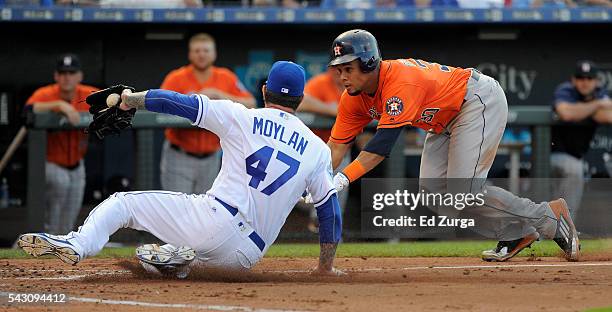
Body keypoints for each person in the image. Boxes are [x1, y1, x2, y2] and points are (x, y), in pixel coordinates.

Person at [18, 61, 343, 277]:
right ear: (301, 98)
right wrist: (325, 268)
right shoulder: (316, 148)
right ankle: (180, 261)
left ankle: (79, 243)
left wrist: (131, 99)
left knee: (123, 203)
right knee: (167, 259)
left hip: (216, 219)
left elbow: (179, 103)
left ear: (263, 90)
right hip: (246, 257)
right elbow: (330, 212)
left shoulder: (243, 116)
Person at [324, 29, 579, 262]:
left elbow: (380, 147)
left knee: (462, 191)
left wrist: (344, 177)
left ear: (369, 62)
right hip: (442, 122)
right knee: (435, 197)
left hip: (475, 100)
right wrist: (316, 178)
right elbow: (335, 148)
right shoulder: (352, 100)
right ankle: (516, 231)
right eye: (339, 70)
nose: (343, 77)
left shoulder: (399, 81)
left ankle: (548, 215)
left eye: (349, 68)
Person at [160, 33, 255, 194]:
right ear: (190, 54)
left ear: (214, 54)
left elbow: (251, 103)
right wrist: (189, 104)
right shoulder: (176, 78)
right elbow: (160, 106)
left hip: (212, 157)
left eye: (206, 50)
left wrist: (219, 95)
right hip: (180, 154)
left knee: (208, 212)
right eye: (197, 51)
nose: (201, 54)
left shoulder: (226, 77)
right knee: (178, 210)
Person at [25, 54, 98, 235]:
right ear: (56, 76)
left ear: (79, 76)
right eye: (63, 73)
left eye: (71, 72)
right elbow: (27, 110)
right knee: (54, 215)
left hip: (77, 165)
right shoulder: (47, 94)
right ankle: (39, 248)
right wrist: (59, 105)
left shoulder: (87, 93)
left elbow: (114, 101)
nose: (67, 77)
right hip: (52, 163)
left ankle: (58, 252)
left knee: (69, 221)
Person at [551, 60, 612, 219]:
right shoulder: (566, 90)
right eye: (580, 78)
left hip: (575, 155)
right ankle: (564, 225)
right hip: (550, 153)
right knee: (573, 169)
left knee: (573, 170)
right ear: (573, 79)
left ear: (596, 81)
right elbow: (566, 113)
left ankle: (562, 226)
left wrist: (580, 110)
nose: (584, 82)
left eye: (589, 78)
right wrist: (597, 105)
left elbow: (608, 116)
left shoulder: (600, 92)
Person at [302, 68, 351, 232]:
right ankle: (318, 218)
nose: (342, 73)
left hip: (340, 150)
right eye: (338, 69)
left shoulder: (355, 85)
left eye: (347, 68)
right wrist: (331, 109)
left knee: (337, 189)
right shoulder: (320, 83)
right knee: (297, 191)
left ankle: (329, 228)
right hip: (312, 151)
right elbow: (301, 101)